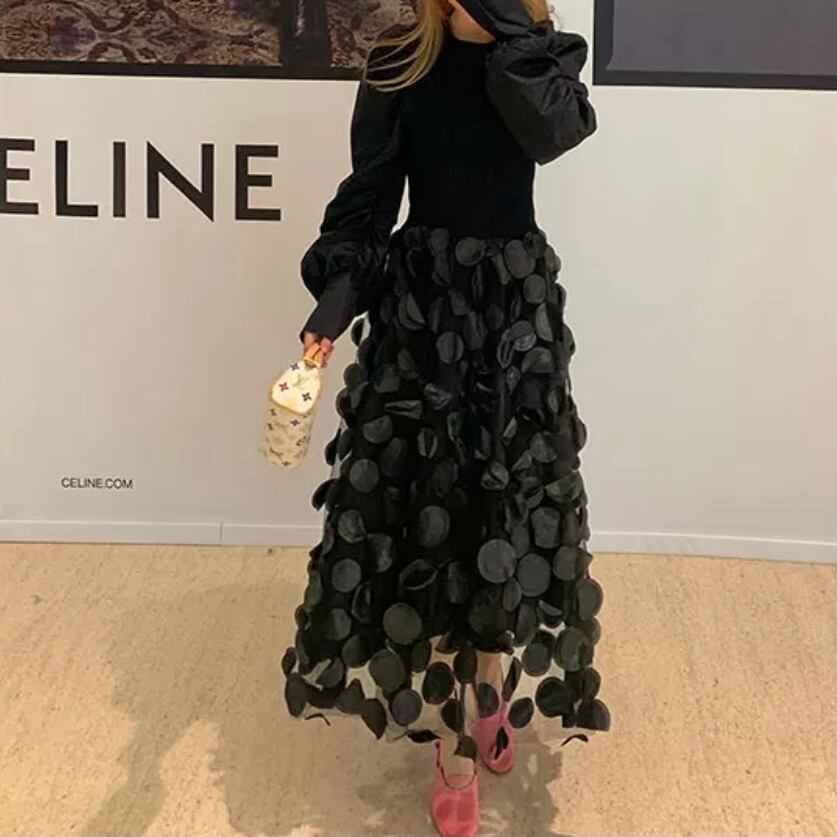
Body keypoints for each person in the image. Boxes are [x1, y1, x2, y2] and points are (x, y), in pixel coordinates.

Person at [282, 1, 611, 834]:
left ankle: (488, 687)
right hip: (423, 318)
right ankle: (456, 745)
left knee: (499, 512)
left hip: (512, 318)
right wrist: (334, 306)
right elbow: (369, 199)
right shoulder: (399, 58)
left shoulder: (538, 59)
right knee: (431, 520)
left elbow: (554, 135)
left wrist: (510, 33)